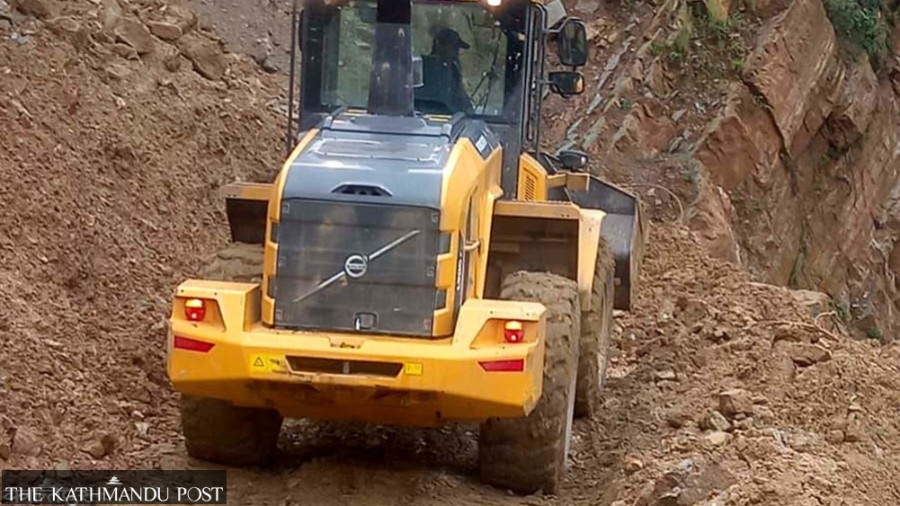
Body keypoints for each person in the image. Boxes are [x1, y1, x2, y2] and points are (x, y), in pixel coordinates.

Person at [424, 27, 474, 115]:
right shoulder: (427, 68)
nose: (456, 51)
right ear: (439, 45)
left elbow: (463, 100)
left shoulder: (452, 68)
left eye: (457, 48)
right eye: (453, 47)